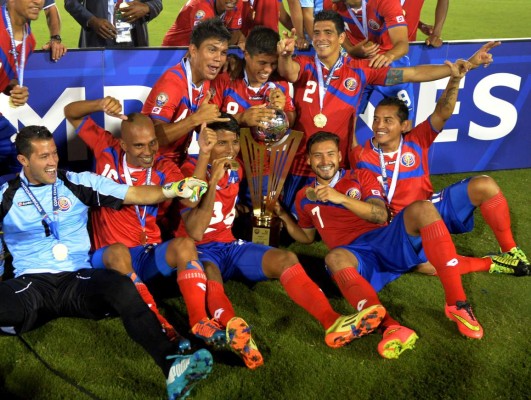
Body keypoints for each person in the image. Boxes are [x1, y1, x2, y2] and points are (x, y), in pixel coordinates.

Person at [0, 126, 213, 399]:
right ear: (24, 160)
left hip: (76, 280)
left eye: (54, 153)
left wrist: (175, 188)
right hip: (32, 284)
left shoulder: (77, 182)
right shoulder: (7, 194)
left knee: (122, 286)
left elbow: (134, 193)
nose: (52, 162)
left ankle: (173, 366)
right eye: (43, 157)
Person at [277, 129, 515, 358]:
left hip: (385, 238)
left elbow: (380, 216)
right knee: (335, 258)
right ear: (309, 160)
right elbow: (307, 237)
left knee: (422, 209)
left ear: (340, 156)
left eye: (330, 154)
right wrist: (283, 215)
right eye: (318, 155)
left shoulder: (360, 176)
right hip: (355, 254)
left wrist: (339, 198)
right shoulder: (302, 197)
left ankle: (457, 304)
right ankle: (390, 327)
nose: (325, 160)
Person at [175, 114, 386, 368]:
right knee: (210, 272)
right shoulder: (187, 170)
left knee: (286, 258)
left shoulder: (237, 169)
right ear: (206, 144)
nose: (230, 150)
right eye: (222, 143)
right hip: (199, 251)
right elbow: (196, 231)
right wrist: (212, 178)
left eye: (234, 143)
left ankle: (332, 321)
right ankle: (237, 332)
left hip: (229, 246)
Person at [276, 9, 499, 215]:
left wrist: (465, 65)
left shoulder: (360, 70)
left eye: (328, 32)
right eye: (316, 33)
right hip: (300, 161)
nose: (321, 38)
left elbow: (411, 73)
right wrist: (285, 55)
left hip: (338, 165)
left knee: (338, 219)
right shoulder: (303, 64)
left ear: (341, 38)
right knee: (300, 223)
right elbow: (288, 71)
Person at [352, 63, 530, 276]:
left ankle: (510, 250)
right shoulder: (361, 155)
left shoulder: (417, 139)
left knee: (484, 185)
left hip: (432, 207)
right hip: (401, 225)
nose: (379, 125)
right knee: (429, 265)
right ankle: (491, 263)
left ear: (405, 126)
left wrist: (454, 80)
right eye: (376, 119)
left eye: (388, 120)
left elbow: (443, 112)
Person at [64, 97, 213, 348]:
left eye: (153, 143)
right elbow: (71, 112)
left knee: (185, 245)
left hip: (148, 254)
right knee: (119, 252)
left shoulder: (163, 166)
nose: (149, 152)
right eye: (139, 146)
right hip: (110, 260)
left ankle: (201, 321)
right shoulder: (106, 148)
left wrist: (204, 155)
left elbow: (192, 199)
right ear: (123, 144)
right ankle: (157, 324)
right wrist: (99, 104)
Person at [142, 17, 231, 166]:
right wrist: (196, 119)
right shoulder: (172, 83)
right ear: (194, 50)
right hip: (153, 163)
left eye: (223, 53)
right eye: (212, 50)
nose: (218, 58)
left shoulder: (205, 78)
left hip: (179, 160)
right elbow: (153, 138)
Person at [323, 0, 412, 147]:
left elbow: (402, 44)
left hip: (390, 64)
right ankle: (354, 163)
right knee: (346, 119)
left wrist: (387, 56)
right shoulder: (331, 5)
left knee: (404, 123)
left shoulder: (384, 2)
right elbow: (336, 29)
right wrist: (351, 50)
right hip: (359, 65)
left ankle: (400, 165)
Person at [0, 0, 40, 177]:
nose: (38, 1)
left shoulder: (29, 41)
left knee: (19, 158)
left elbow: (7, 76)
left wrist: (15, 88)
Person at [64, 0, 162, 48]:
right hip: (98, 39)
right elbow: (71, 2)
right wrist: (92, 20)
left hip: (135, 39)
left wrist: (147, 7)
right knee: (97, 85)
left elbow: (157, 2)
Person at [0, 0, 66, 61]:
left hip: (21, 43)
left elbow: (50, 8)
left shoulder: (30, 42)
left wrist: (55, 39)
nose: (38, 2)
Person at [162, 0, 244, 48]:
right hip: (176, 50)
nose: (233, 0)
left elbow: (235, 34)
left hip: (200, 49)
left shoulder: (236, 3)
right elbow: (206, 42)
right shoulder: (201, 6)